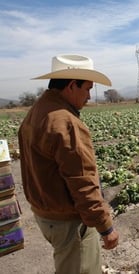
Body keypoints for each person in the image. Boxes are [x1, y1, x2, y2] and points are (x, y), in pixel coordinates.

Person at [18, 54, 119, 274]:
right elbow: (83, 183)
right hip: (69, 223)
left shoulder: (37, 111)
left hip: (45, 214)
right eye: (87, 89)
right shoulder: (66, 122)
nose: (89, 97)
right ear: (72, 85)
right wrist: (105, 226)